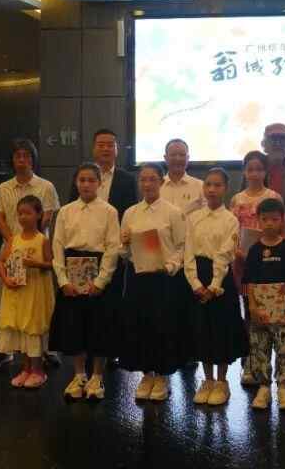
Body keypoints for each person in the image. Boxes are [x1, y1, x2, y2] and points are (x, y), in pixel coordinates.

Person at [49, 163, 122, 402]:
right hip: (71, 272)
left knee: (99, 326)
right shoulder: (65, 211)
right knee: (74, 325)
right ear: (76, 182)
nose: (86, 184)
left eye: (91, 180)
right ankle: (79, 374)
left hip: (98, 272)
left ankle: (97, 377)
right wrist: (62, 280)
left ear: (100, 183)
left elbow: (113, 248)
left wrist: (101, 281)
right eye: (82, 180)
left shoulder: (109, 211)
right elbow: (57, 246)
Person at [0, 138, 60, 372]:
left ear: (33, 159)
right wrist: (14, 241)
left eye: (27, 155)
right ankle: (7, 351)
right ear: (12, 160)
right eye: (18, 156)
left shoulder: (46, 186)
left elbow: (47, 216)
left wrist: (30, 236)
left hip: (38, 249)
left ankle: (47, 350)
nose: (22, 160)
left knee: (39, 302)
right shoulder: (3, 188)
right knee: (10, 301)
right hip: (11, 248)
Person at [118, 164, 187, 402]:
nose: (147, 184)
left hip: (164, 278)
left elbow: (182, 246)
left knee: (163, 325)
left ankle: (163, 376)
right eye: (143, 180)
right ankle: (147, 375)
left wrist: (171, 266)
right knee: (140, 325)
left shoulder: (173, 212)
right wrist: (124, 243)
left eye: (152, 179)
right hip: (137, 278)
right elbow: (124, 253)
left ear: (161, 182)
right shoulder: (130, 213)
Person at [184, 168, 248, 407]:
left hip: (220, 279)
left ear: (225, 189)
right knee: (202, 329)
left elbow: (224, 254)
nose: (212, 189)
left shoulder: (230, 219)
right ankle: (208, 380)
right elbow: (188, 253)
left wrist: (213, 286)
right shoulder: (193, 218)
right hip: (198, 278)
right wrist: (195, 284)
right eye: (208, 184)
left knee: (221, 329)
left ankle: (221, 381)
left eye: (217, 185)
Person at [231, 150, 282, 386]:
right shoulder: (237, 199)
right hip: (243, 263)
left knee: (270, 313)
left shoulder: (273, 196)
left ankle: (269, 362)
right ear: (244, 172)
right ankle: (250, 363)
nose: (254, 173)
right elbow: (232, 231)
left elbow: (281, 230)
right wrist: (238, 252)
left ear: (265, 172)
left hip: (268, 261)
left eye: (259, 169)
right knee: (249, 314)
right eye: (250, 169)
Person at [243, 197, 285, 411]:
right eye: (265, 219)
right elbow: (249, 282)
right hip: (259, 310)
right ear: (258, 220)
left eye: (274, 219)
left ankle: (283, 387)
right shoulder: (254, 250)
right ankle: (263, 387)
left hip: (283, 309)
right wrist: (252, 307)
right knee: (260, 347)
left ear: (282, 220)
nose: (269, 224)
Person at [0, 196, 55, 389]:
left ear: (38, 215)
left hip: (34, 292)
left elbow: (51, 264)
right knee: (20, 326)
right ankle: (26, 369)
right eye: (20, 213)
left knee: (33, 327)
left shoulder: (42, 240)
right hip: (17, 292)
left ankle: (38, 370)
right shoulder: (13, 239)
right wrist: (6, 279)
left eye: (28, 213)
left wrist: (35, 264)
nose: (23, 217)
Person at [87, 129, 138, 219]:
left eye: (110, 145)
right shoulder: (82, 177)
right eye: (101, 145)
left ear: (116, 149)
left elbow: (131, 214)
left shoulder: (128, 179)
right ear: (93, 149)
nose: (105, 149)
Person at [160, 138, 204, 213]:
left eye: (182, 155)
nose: (178, 159)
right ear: (165, 158)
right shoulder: (157, 186)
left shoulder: (200, 186)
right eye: (173, 155)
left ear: (188, 158)